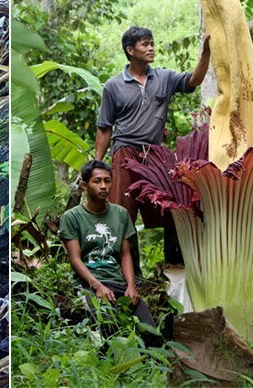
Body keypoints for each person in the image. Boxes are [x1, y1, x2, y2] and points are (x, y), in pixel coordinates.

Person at [94, 26, 210, 266]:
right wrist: (97, 164)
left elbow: (193, 81)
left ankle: (174, 269)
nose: (151, 48)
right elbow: (104, 127)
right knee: (122, 215)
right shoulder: (113, 86)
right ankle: (129, 276)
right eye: (145, 44)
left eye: (152, 43)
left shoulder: (164, 78)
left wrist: (206, 54)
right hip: (125, 152)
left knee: (171, 209)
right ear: (130, 50)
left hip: (155, 155)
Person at [59, 160, 158, 339]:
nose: (103, 186)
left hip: (118, 282)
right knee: (110, 329)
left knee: (152, 335)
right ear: (84, 185)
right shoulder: (72, 217)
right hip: (88, 284)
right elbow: (75, 258)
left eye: (107, 181)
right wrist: (97, 286)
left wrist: (131, 286)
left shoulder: (120, 214)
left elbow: (125, 253)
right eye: (97, 181)